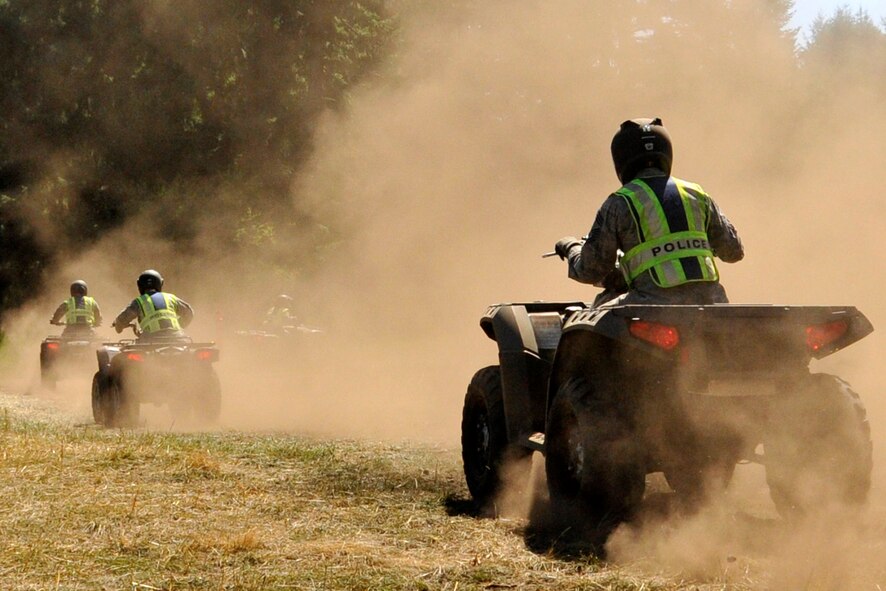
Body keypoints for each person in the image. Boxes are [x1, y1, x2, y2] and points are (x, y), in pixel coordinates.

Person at [555, 117, 744, 307]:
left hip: (650, 309)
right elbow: (733, 252)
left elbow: (591, 270)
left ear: (621, 158)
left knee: (587, 316)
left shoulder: (620, 202)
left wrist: (571, 247)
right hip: (712, 307)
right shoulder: (697, 194)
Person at [112, 269, 194, 339]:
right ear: (160, 283)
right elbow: (189, 313)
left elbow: (122, 319)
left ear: (139, 285)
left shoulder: (139, 302)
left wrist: (118, 327)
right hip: (177, 339)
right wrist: (178, 327)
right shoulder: (171, 298)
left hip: (150, 341)